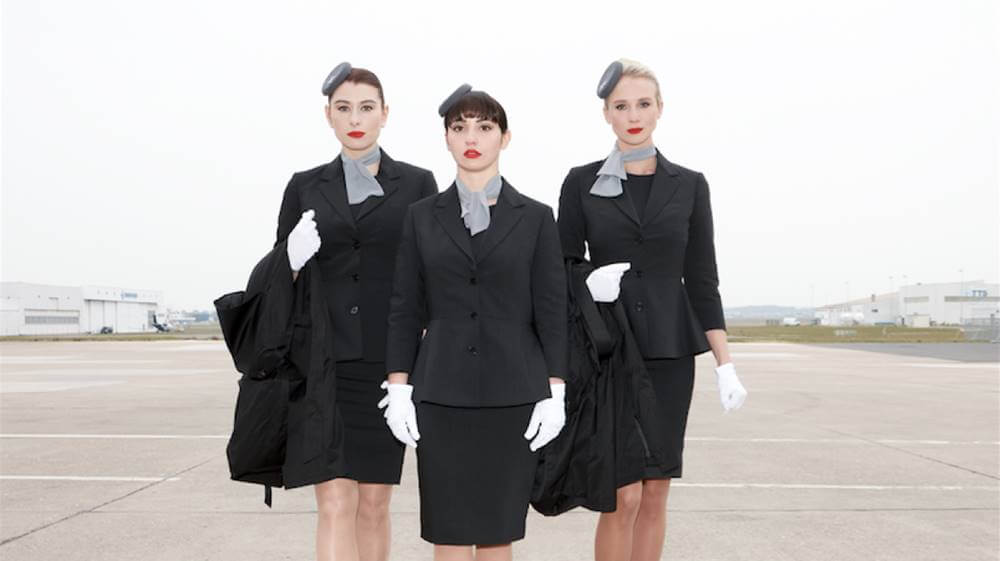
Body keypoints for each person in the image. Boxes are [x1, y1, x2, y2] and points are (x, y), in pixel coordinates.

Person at [556, 59, 748, 561]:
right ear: (606, 114)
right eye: (621, 106)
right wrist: (588, 279)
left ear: (660, 108)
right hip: (610, 351)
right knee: (622, 493)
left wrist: (725, 363)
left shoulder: (690, 185)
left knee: (656, 489)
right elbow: (560, 265)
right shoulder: (580, 182)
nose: (633, 115)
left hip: (669, 352)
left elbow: (703, 280)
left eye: (643, 103)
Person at [380, 85, 567, 561]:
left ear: (505, 137)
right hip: (441, 393)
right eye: (459, 127)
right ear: (446, 137)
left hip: (514, 394)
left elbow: (552, 310)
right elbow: (404, 307)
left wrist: (556, 390)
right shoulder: (421, 217)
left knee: (497, 530)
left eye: (484, 127)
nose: (471, 137)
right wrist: (398, 387)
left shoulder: (537, 218)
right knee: (449, 530)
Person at [275, 62, 438, 561]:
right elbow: (278, 281)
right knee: (333, 502)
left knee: (373, 504)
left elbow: (435, 273)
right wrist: (289, 261)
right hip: (323, 364)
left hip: (388, 366)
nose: (355, 118)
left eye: (366, 107)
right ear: (328, 115)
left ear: (385, 113)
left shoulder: (417, 184)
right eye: (343, 108)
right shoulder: (304, 186)